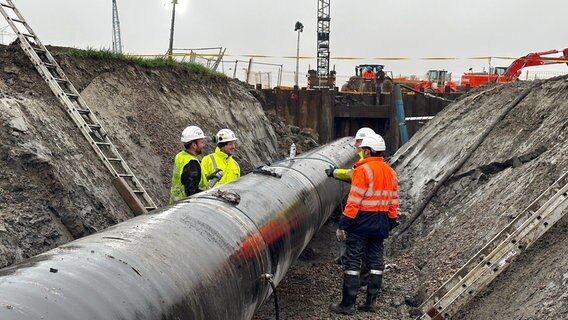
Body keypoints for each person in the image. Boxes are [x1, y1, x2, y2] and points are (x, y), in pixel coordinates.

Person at [329, 134, 399, 315]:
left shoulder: (363, 170)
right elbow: (394, 201)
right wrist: (390, 221)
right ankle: (370, 302)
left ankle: (347, 304)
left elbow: (354, 200)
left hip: (361, 222)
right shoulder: (391, 172)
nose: (361, 152)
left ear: (368, 150)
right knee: (376, 261)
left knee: (353, 260)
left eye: (362, 149)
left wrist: (344, 223)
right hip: (381, 221)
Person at [169, 125, 208, 203]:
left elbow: (186, 178)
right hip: (185, 206)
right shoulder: (192, 164)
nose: (204, 145)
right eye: (202, 142)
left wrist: (209, 177)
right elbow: (191, 192)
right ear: (194, 145)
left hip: (175, 204)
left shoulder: (180, 156)